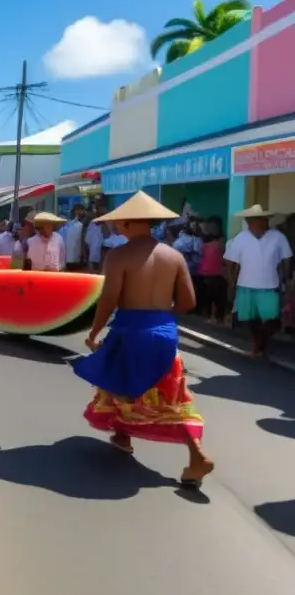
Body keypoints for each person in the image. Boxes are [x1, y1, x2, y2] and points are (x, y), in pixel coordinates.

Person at [71, 191, 211, 487]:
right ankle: (190, 452)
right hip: (163, 332)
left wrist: (94, 331)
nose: (117, 225)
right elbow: (187, 302)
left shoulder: (119, 255)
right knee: (169, 396)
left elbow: (109, 299)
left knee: (116, 383)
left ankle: (128, 436)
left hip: (130, 331)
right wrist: (160, 314)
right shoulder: (173, 256)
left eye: (120, 220)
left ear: (131, 222)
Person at [224, 204, 293, 358]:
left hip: (270, 285)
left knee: (271, 318)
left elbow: (287, 259)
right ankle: (256, 346)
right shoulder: (241, 237)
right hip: (245, 285)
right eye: (252, 220)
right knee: (248, 319)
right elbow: (231, 262)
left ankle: (263, 343)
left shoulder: (278, 237)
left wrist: (287, 279)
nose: (256, 222)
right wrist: (231, 282)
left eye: (260, 219)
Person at [62, 204, 86, 271]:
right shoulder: (79, 225)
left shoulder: (66, 225)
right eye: (82, 211)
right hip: (76, 259)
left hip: (68, 258)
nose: (84, 213)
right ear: (76, 212)